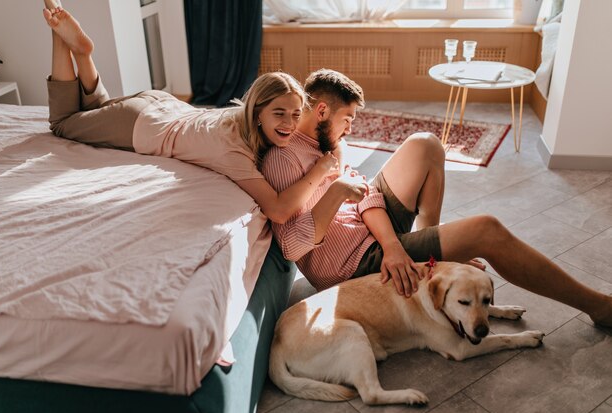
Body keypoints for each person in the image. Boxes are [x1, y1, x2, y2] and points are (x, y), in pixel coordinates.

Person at [261, 68, 612, 327]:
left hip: (377, 236)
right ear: (321, 112)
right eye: (347, 119)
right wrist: (338, 193)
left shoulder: (332, 144)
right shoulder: (284, 159)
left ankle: (435, 255)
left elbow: (365, 195)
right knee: (486, 230)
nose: (351, 128)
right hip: (353, 263)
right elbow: (293, 247)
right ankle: (598, 307)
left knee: (425, 143)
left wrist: (395, 245)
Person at [41, 2, 338, 224]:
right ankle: (67, 44)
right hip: (140, 124)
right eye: (280, 114)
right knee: (63, 123)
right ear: (258, 111)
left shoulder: (243, 120)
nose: (290, 123)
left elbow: (302, 131)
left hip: (158, 106)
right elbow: (278, 210)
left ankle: (79, 51)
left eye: (296, 114)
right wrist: (321, 170)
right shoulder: (234, 152)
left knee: (94, 112)